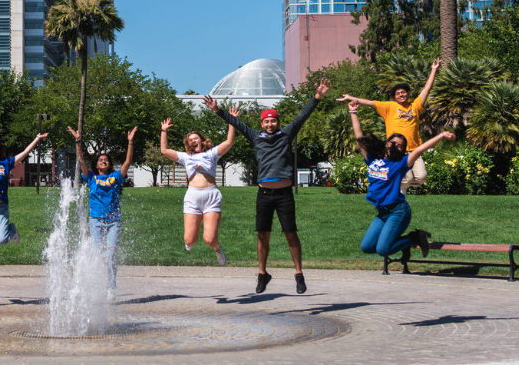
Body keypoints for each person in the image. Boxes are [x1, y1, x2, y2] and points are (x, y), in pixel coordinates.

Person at [204, 77, 330, 295]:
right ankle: (262, 273)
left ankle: (299, 274)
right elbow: (237, 124)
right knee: (263, 234)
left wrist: (317, 96)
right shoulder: (255, 136)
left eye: (273, 121)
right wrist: (217, 110)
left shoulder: (286, 134)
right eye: (266, 121)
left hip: (284, 194)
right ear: (262, 123)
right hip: (264, 194)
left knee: (291, 233)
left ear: (277, 122)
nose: (270, 124)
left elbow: (303, 116)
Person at [347, 101, 453, 259]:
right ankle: (407, 241)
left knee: (384, 249)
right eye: (393, 143)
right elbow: (360, 137)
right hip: (383, 212)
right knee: (367, 247)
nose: (396, 146)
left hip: (398, 211)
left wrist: (442, 135)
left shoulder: (401, 164)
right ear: (387, 143)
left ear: (403, 150)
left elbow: (419, 149)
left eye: (401, 146)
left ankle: (415, 237)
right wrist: (353, 113)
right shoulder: (372, 159)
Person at [337, 58, 441, 193]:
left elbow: (427, 88)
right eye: (398, 93)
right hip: (397, 151)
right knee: (407, 179)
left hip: (414, 150)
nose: (401, 94)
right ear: (394, 97)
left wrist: (433, 70)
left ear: (408, 94)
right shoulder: (389, 107)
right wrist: (350, 97)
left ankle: (393, 184)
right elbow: (370, 102)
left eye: (403, 92)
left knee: (421, 178)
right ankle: (393, 187)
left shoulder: (415, 106)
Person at [159, 110, 238, 265]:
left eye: (196, 138)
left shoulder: (212, 154)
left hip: (211, 195)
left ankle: (217, 249)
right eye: (190, 140)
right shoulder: (185, 157)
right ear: (187, 144)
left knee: (209, 239)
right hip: (193, 196)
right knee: (189, 240)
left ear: (202, 140)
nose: (193, 141)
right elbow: (164, 150)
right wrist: (164, 131)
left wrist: (231, 121)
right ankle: (190, 243)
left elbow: (229, 142)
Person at [70, 125, 135, 297]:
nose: (104, 161)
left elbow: (127, 162)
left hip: (114, 221)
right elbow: (82, 161)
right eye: (101, 160)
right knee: (97, 254)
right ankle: (95, 285)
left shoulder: (116, 177)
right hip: (96, 221)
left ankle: (112, 285)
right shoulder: (91, 178)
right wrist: (78, 141)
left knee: (111, 252)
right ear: (96, 164)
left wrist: (130, 142)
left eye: (106, 160)